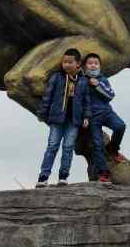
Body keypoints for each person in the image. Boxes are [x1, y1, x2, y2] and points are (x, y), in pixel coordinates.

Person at [35, 48, 91, 187]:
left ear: (78, 64)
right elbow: (47, 96)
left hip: (74, 120)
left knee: (68, 147)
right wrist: (43, 113)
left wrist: (86, 116)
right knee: (52, 146)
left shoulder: (83, 81)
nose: (66, 64)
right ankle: (43, 177)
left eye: (70, 62)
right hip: (57, 118)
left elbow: (86, 101)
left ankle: (63, 176)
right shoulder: (56, 77)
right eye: (64, 62)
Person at [81, 52, 129, 184]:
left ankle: (113, 149)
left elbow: (110, 95)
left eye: (96, 63)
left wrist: (97, 85)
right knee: (97, 144)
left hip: (107, 113)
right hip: (92, 118)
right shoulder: (82, 81)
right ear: (85, 66)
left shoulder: (102, 79)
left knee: (120, 126)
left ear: (100, 66)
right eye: (90, 63)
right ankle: (103, 173)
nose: (93, 66)